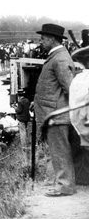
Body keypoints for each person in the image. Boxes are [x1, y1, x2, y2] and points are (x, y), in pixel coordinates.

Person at [35, 27, 76, 194]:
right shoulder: (57, 56)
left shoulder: (59, 59)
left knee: (60, 150)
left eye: (43, 38)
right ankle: (61, 181)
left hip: (56, 114)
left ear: (52, 39)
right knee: (58, 150)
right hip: (53, 112)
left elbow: (70, 88)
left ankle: (65, 186)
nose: (40, 41)